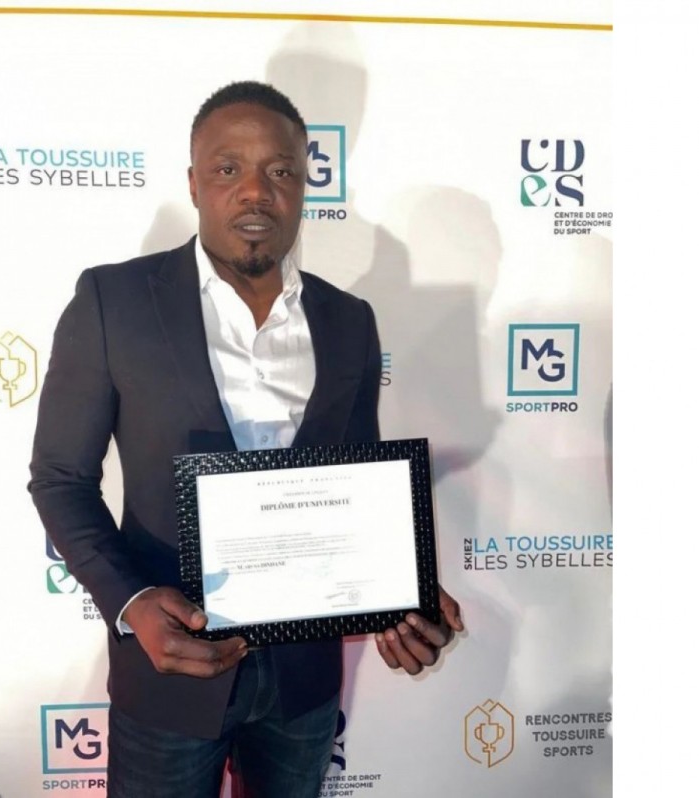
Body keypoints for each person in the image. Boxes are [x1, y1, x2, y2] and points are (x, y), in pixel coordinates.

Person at [28, 80, 464, 798]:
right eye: (228, 168)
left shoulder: (349, 321)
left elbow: (355, 487)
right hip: (170, 676)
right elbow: (59, 479)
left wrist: (400, 594)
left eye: (280, 170)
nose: (256, 191)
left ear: (304, 185)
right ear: (193, 183)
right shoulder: (114, 302)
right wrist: (132, 602)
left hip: (304, 685)